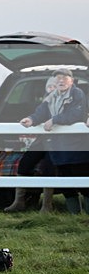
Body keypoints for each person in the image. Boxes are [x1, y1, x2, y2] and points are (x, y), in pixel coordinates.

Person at [20, 69, 88, 214]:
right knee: (66, 185)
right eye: (58, 78)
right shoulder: (50, 97)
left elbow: (76, 114)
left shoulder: (77, 94)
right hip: (58, 147)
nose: (61, 81)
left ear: (72, 80)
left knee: (84, 183)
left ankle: (86, 218)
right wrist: (31, 119)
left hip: (77, 148)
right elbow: (41, 112)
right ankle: (75, 216)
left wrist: (54, 120)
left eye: (64, 78)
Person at [5, 76, 57, 213]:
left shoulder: (67, 101)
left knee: (48, 168)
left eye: (55, 86)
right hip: (42, 141)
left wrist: (54, 120)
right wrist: (30, 119)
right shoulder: (45, 103)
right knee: (24, 163)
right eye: (49, 86)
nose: (52, 89)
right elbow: (38, 114)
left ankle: (47, 206)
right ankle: (19, 202)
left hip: (59, 142)